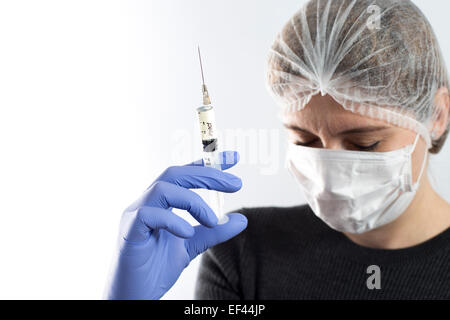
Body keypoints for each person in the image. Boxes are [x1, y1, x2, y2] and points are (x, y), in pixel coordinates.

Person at [105, 0, 450, 299]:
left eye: (364, 144)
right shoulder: (243, 254)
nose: (329, 177)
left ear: (436, 115)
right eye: (305, 140)